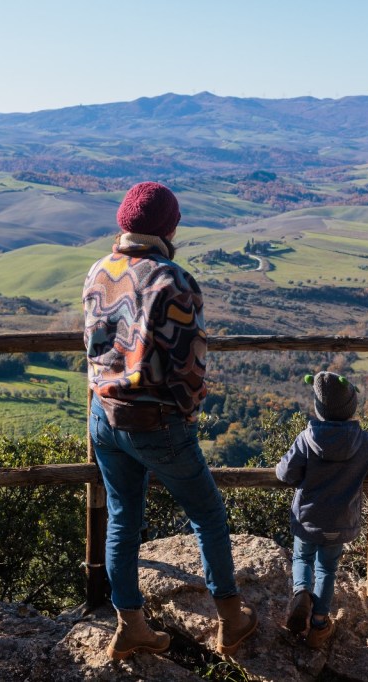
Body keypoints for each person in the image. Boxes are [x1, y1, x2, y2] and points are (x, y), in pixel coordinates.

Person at [83, 181, 256, 660]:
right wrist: (188, 412)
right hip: (155, 419)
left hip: (103, 415)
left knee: (123, 518)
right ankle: (231, 621)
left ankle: (131, 627)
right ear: (169, 228)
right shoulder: (171, 279)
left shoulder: (99, 270)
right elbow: (188, 365)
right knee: (208, 514)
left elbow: (93, 346)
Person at [276, 371, 368, 648]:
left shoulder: (307, 438)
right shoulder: (362, 441)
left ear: (318, 407)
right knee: (327, 568)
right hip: (341, 521)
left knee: (302, 558)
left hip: (308, 518)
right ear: (351, 408)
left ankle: (301, 593)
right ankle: (319, 624)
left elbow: (286, 473)